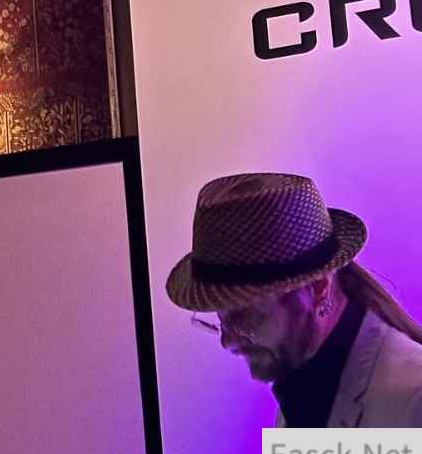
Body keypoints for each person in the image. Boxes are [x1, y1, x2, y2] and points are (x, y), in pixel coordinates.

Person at [166, 172, 422, 428]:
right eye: (221, 319)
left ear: (319, 288)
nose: (227, 342)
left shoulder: (413, 400)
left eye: (245, 315)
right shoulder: (298, 380)